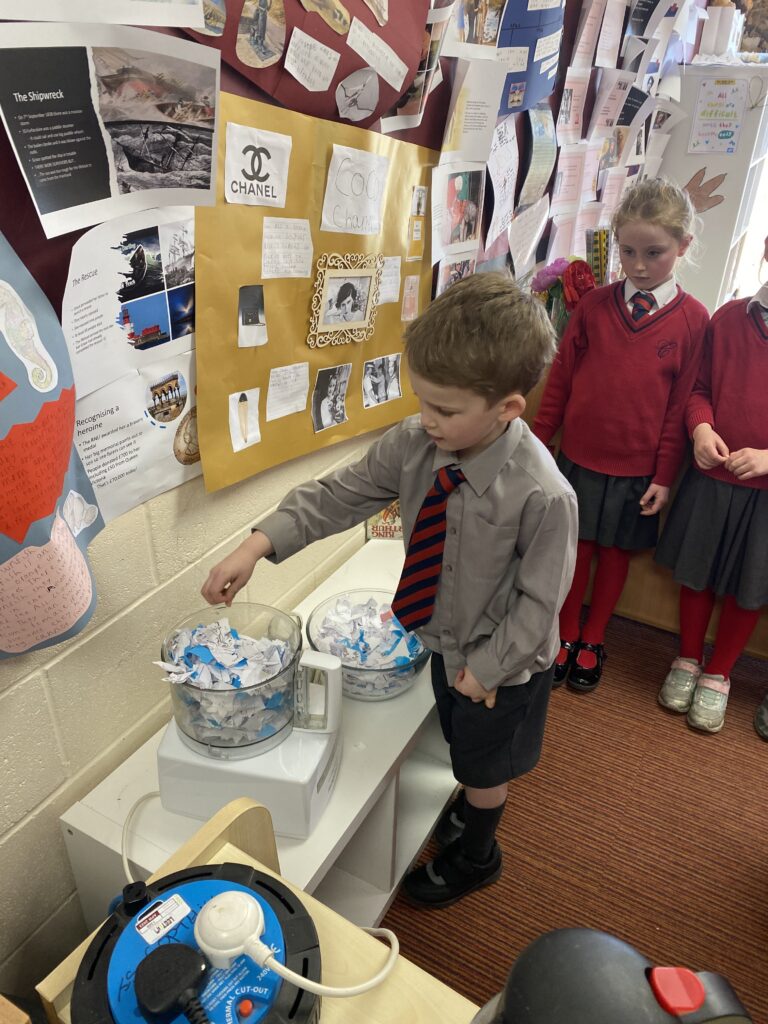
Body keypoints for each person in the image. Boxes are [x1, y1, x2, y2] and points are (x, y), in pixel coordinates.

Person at [201, 273, 578, 908]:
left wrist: (485, 671)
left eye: (447, 410)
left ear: (508, 408)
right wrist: (257, 543)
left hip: (502, 669)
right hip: (440, 640)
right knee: (460, 749)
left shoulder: (545, 495)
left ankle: (479, 850)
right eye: (421, 400)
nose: (426, 420)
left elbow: (540, 606)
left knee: (483, 768)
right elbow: (338, 495)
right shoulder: (415, 443)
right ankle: (471, 806)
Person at [533, 178, 709, 693]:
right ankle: (565, 633)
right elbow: (562, 378)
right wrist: (541, 442)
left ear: (683, 247)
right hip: (579, 459)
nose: (637, 265)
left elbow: (681, 407)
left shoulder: (694, 321)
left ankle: (593, 636)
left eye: (654, 253)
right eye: (628, 251)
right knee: (575, 549)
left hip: (637, 471)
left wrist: (664, 476)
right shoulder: (592, 306)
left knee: (613, 555)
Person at [655, 233, 768, 736]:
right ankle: (687, 658)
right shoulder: (729, 318)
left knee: (749, 588)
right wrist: (700, 427)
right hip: (711, 481)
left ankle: (719, 673)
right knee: (695, 571)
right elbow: (697, 391)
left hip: (764, 497)